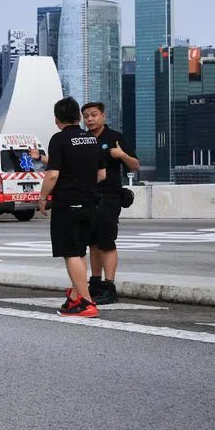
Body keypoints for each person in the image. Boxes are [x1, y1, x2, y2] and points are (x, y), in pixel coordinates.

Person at [37, 97, 105, 318]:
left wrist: (43, 197)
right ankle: (76, 296)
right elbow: (101, 174)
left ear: (57, 119)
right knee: (79, 251)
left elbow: (52, 174)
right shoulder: (92, 139)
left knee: (70, 253)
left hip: (68, 203)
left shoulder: (59, 139)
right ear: (78, 116)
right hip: (90, 203)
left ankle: (86, 303)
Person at [82, 101, 140, 305]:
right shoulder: (83, 139)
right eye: (86, 116)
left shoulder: (115, 137)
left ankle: (109, 287)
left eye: (94, 115)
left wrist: (122, 155)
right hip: (89, 197)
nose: (90, 119)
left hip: (109, 197)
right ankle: (95, 283)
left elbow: (135, 165)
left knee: (107, 243)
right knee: (92, 243)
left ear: (103, 116)